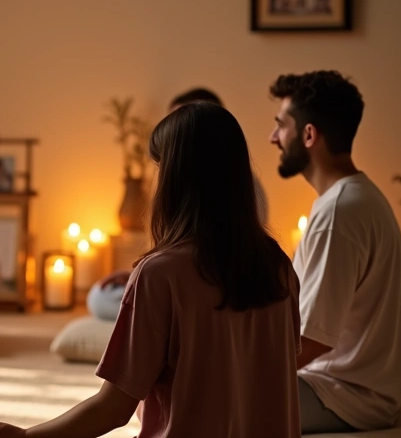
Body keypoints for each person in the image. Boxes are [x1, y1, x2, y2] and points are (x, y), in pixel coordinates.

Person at [0, 102, 301, 438]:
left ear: (176, 179)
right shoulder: (278, 264)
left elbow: (112, 409)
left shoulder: (160, 272)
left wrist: (27, 437)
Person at [269, 70, 401, 433]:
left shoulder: (340, 212)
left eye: (281, 126)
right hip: (341, 386)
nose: (273, 137)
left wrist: (239, 369)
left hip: (343, 395)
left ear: (309, 134)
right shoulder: (353, 198)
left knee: (183, 392)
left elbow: (311, 340)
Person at [87, 87, 269, 320]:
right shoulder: (279, 266)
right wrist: (136, 277)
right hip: (198, 286)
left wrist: (148, 279)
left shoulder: (244, 189)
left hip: (227, 281)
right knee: (101, 294)